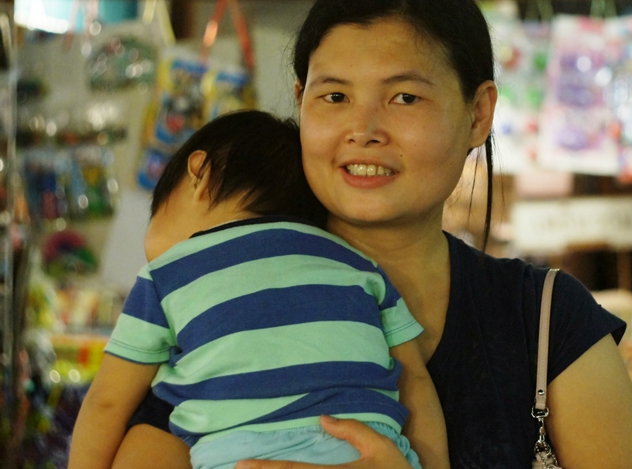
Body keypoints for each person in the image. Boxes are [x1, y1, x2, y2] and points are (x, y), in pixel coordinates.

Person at [113, 0, 632, 469]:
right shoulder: (212, 302)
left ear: (478, 114)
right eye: (334, 97)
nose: (364, 130)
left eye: (404, 98)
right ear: (300, 102)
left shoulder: (544, 320)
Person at [69, 110, 448, 469]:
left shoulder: (167, 275)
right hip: (367, 453)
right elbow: (414, 379)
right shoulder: (360, 266)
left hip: (242, 458)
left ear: (200, 173)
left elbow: (106, 404)